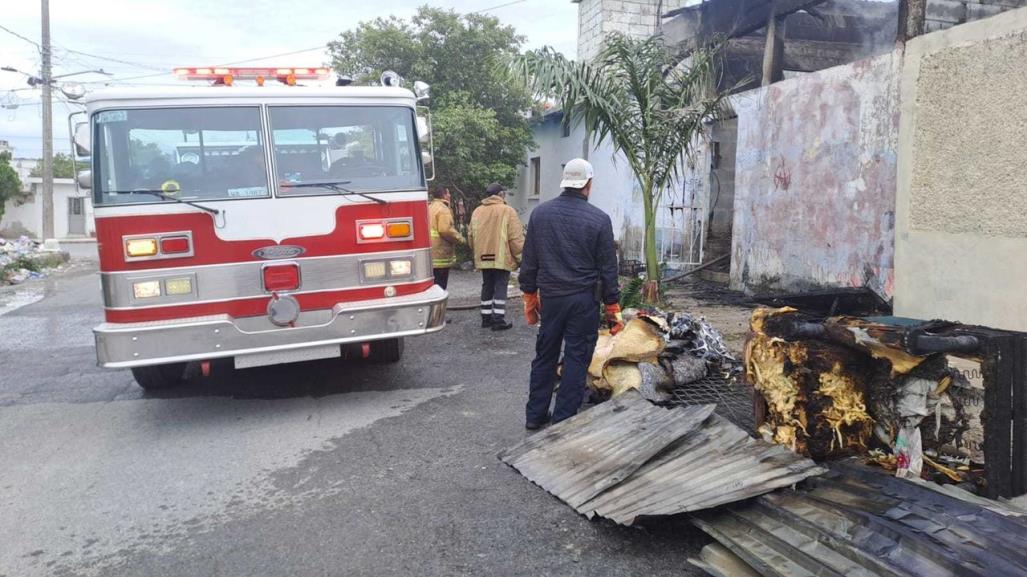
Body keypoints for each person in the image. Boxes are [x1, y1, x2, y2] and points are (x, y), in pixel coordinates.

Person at [519, 158, 623, 429]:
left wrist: (529, 296)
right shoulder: (599, 220)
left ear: (565, 182)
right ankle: (564, 418)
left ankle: (535, 415)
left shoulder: (540, 215)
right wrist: (613, 308)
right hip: (583, 301)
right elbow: (608, 269)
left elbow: (529, 261)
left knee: (545, 355)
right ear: (588, 184)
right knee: (577, 357)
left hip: (551, 299)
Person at [468, 183, 525, 331]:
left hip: (482, 256)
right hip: (501, 257)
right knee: (500, 285)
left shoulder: (477, 211)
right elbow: (515, 238)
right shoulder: (507, 211)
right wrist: (520, 257)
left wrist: (477, 251)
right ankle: (498, 320)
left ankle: (486, 318)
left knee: (487, 285)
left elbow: (470, 236)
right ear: (500, 195)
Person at [428, 187, 464, 289]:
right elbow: (445, 230)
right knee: (441, 286)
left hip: (431, 254)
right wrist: (460, 239)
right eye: (448, 194)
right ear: (444, 195)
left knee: (433, 285)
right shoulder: (443, 209)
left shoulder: (429, 207)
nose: (450, 196)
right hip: (440, 254)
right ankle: (440, 305)